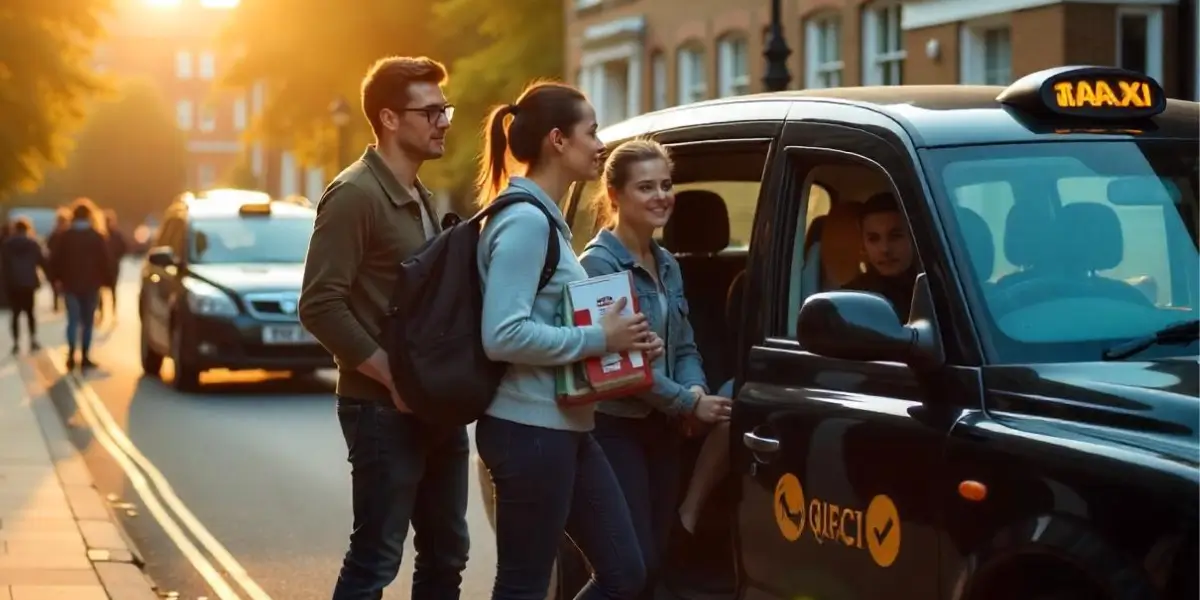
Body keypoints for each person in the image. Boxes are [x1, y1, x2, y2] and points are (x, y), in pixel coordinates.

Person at [474, 81, 662, 600]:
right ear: (559, 140)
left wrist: (627, 345)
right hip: (527, 430)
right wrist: (598, 338)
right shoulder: (524, 223)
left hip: (566, 428)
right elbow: (502, 334)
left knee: (625, 572)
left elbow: (556, 322)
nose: (600, 144)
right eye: (592, 131)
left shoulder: (548, 221)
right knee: (524, 584)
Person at [297, 56, 465, 600]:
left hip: (436, 404)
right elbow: (320, 304)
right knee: (376, 559)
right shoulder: (354, 195)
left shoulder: (421, 193)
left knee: (447, 552)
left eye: (446, 109)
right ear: (390, 119)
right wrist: (394, 379)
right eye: (432, 110)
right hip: (379, 408)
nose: (444, 121)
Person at [577, 139, 733, 599]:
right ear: (615, 197)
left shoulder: (666, 264)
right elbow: (619, 368)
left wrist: (696, 394)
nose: (661, 195)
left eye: (666, 184)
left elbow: (684, 345)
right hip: (612, 430)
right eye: (646, 187)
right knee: (629, 570)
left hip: (661, 430)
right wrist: (688, 403)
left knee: (658, 562)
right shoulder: (597, 265)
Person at [49, 198, 111, 370]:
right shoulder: (97, 236)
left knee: (73, 320)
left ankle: (70, 354)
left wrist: (55, 280)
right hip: (91, 284)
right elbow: (105, 261)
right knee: (88, 321)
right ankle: (85, 355)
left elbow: (55, 260)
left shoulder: (65, 236)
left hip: (70, 284)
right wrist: (107, 281)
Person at [843, 192, 917, 319]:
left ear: (913, 237)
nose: (885, 249)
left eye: (895, 236)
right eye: (873, 239)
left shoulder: (940, 290)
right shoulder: (849, 300)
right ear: (863, 245)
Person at [1, 217, 49, 353]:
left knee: (15, 314)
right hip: (29, 283)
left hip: (13, 283)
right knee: (30, 313)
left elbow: (4, 267)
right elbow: (42, 262)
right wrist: (53, 277)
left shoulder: (7, 245)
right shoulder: (33, 243)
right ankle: (33, 339)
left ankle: (16, 343)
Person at [101, 209, 128, 323]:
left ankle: (108, 312)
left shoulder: (110, 235)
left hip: (108, 265)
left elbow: (124, 248)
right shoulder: (103, 234)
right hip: (107, 266)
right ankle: (108, 312)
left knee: (107, 290)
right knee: (110, 290)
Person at [46, 208, 70, 313]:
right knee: (56, 286)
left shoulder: (66, 235)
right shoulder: (56, 235)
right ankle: (57, 302)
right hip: (59, 265)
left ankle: (60, 302)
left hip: (61, 265)